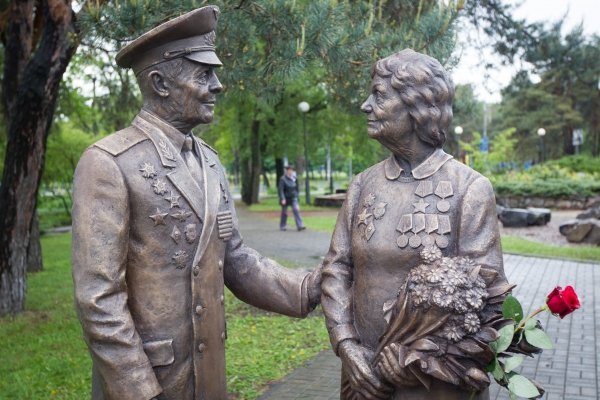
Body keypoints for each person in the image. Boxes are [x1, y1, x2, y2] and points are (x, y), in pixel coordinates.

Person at [71, 6, 320, 400]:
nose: (218, 85)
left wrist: (310, 287)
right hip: (150, 383)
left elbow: (236, 260)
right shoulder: (108, 163)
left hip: (207, 376)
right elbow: (98, 299)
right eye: (204, 74)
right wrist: (140, 391)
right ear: (160, 83)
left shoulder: (210, 162)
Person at [320, 49, 506, 400]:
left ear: (416, 106)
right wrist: (346, 344)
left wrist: (417, 359)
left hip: (435, 386)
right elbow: (336, 269)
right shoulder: (363, 184)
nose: (365, 105)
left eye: (379, 95)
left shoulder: (469, 188)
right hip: (362, 376)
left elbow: (486, 297)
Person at [278, 165, 306, 231]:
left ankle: (300, 225)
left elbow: (297, 188)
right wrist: (283, 198)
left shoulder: (294, 178)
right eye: (289, 170)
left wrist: (297, 195)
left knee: (296, 210)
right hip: (285, 198)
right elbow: (281, 190)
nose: (290, 171)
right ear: (286, 171)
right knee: (284, 212)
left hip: (293, 197)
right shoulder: (283, 179)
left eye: (292, 170)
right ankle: (282, 226)